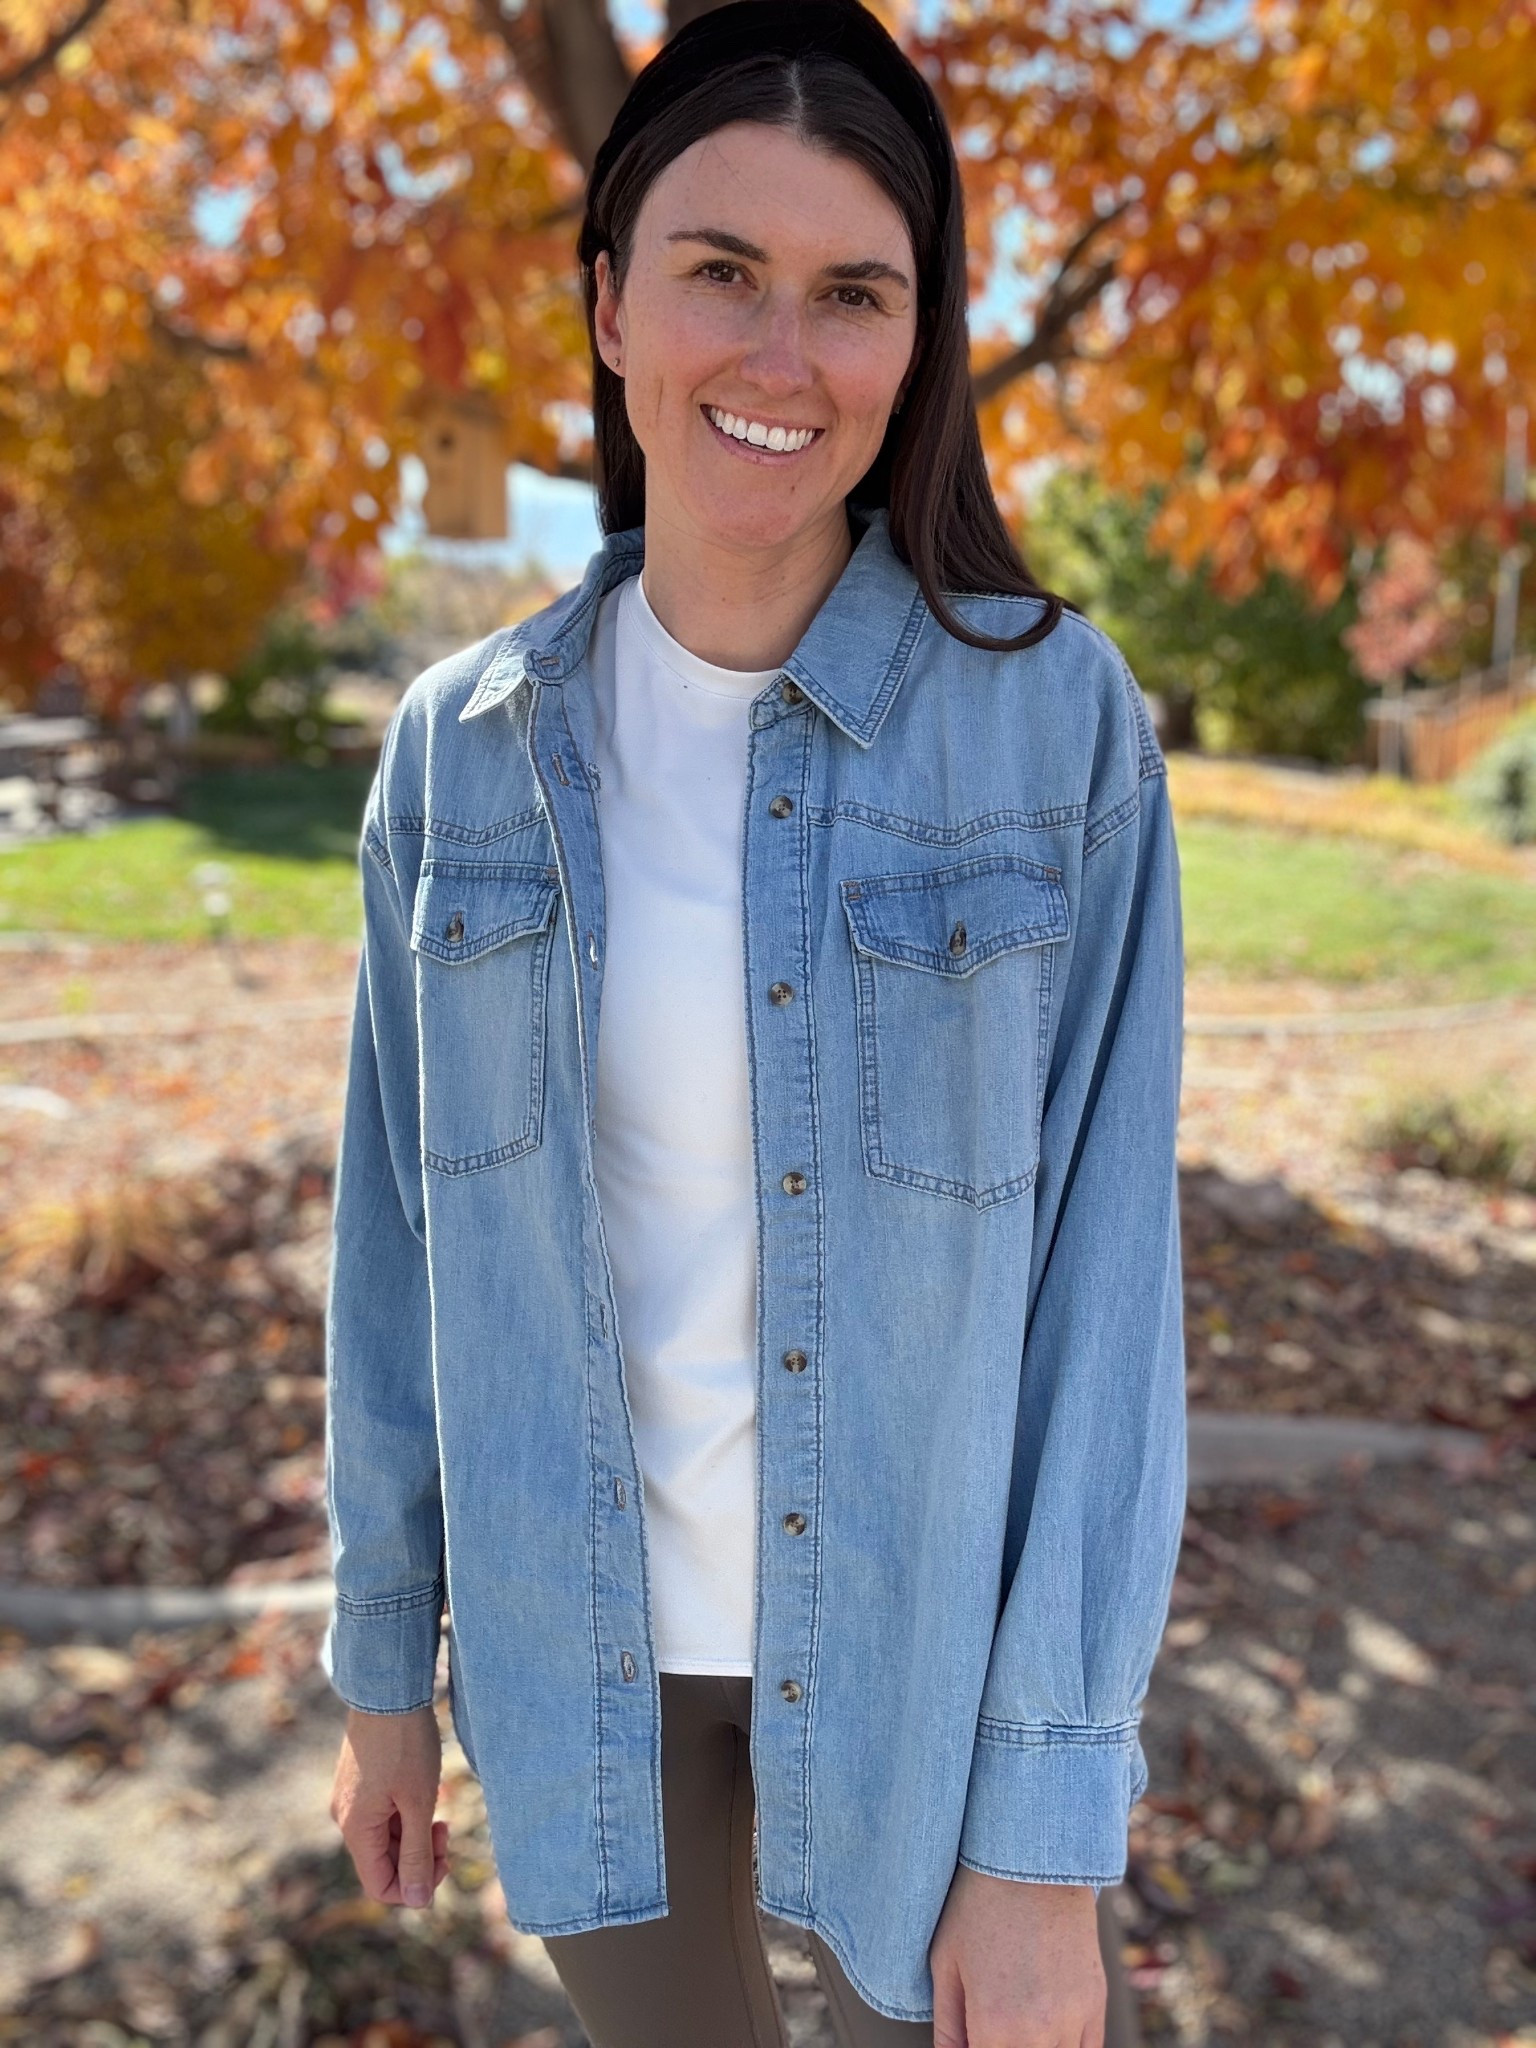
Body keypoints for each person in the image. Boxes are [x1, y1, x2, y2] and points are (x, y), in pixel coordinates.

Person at [321, 4, 1187, 2045]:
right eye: (722, 272)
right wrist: (381, 1664)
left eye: (852, 294)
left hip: (919, 1703)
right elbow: (394, 1242)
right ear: (612, 304)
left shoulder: (1053, 726)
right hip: (576, 1678)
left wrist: (1046, 1835)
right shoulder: (460, 755)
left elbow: (1106, 1306)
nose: (782, 357)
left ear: (917, 341)